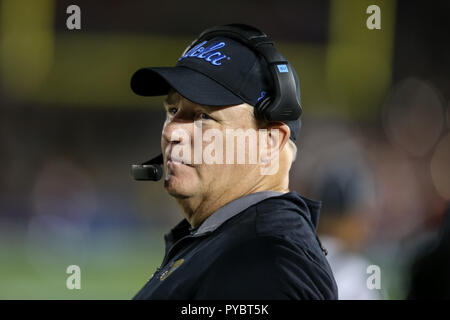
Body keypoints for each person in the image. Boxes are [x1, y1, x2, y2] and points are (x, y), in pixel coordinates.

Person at [130, 24, 338, 299]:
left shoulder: (268, 260)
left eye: (204, 117)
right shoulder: (234, 243)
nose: (171, 132)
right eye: (172, 110)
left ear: (270, 142)